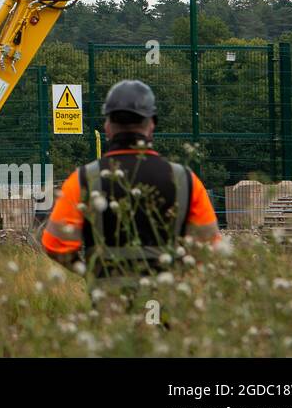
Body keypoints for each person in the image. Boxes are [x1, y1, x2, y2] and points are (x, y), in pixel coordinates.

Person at [41, 80, 220, 289]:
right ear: (152, 123)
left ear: (107, 126)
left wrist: (91, 274)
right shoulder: (185, 180)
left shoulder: (83, 180)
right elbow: (210, 248)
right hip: (171, 308)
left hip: (110, 309)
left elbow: (54, 244)